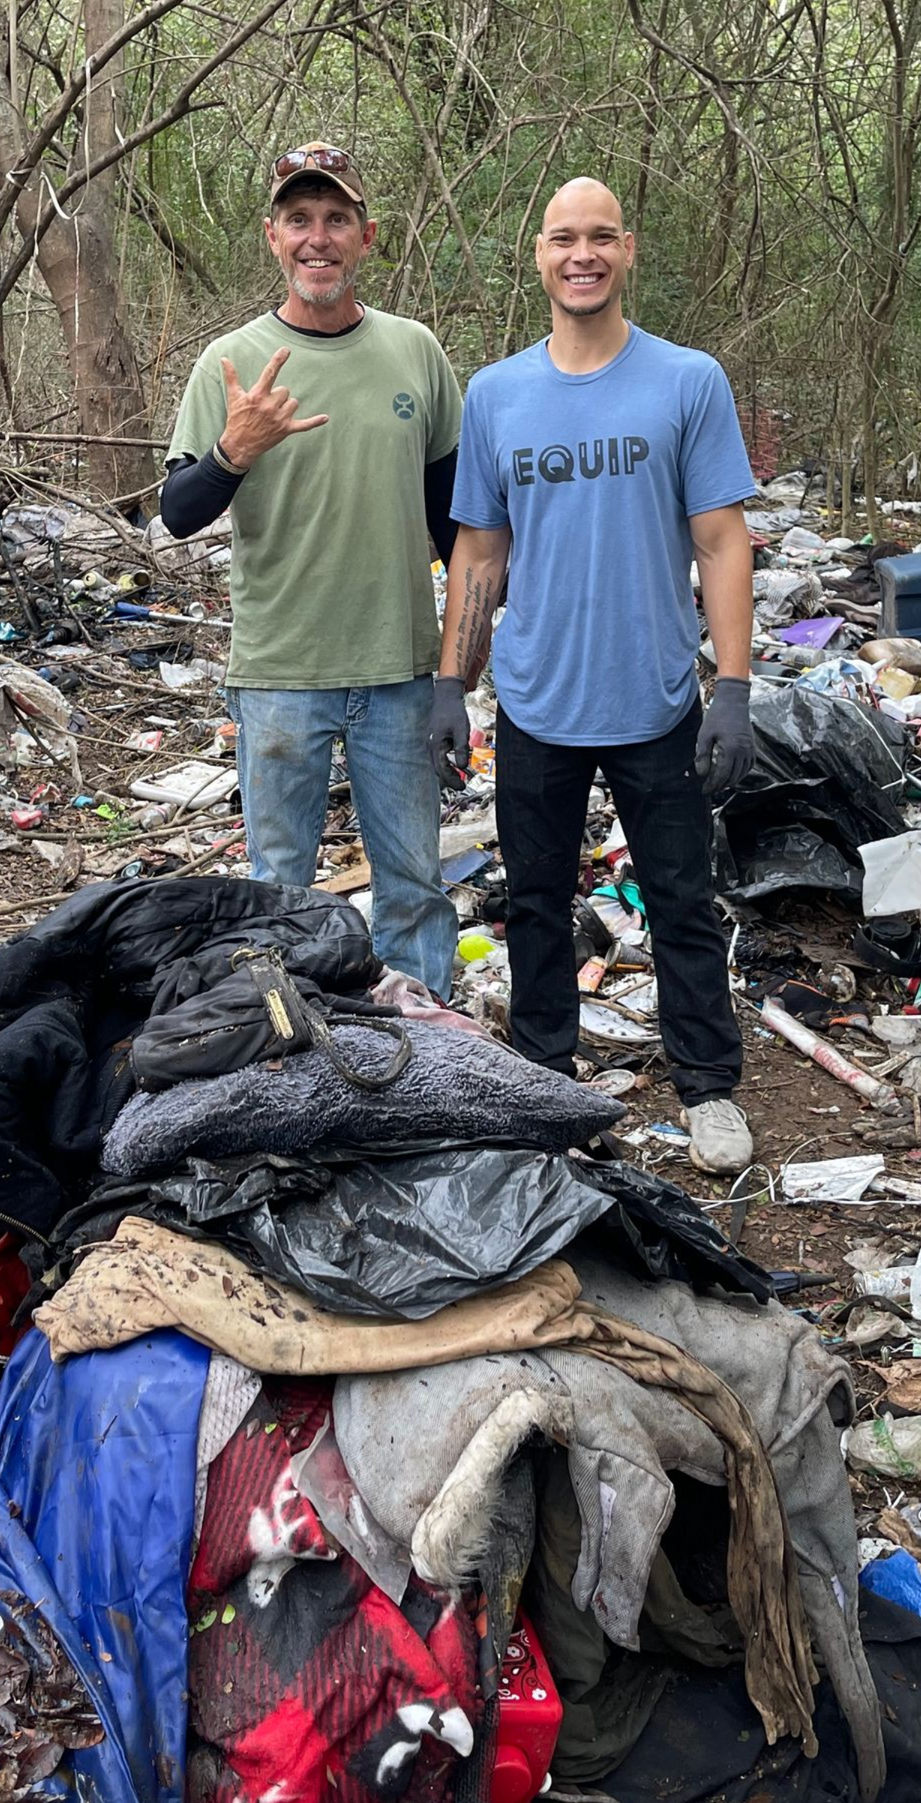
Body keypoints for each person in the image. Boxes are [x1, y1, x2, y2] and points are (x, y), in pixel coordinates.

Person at [429, 177, 758, 1174]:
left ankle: (708, 1085)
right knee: (532, 901)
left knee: (681, 896)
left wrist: (734, 687)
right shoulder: (496, 394)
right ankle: (543, 1077)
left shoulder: (686, 382)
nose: (584, 254)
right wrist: (453, 680)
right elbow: (479, 553)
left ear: (628, 250)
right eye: (564, 238)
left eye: (601, 236)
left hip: (654, 692)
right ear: (540, 255)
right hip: (536, 697)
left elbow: (722, 538)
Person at [159, 142, 461, 996]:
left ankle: (428, 1065)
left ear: (367, 237)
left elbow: (455, 524)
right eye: (299, 220)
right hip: (280, 673)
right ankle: (292, 1058)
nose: (317, 238)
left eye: (335, 220)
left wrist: (459, 673)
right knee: (279, 890)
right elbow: (177, 513)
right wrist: (231, 452)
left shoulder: (416, 353)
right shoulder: (230, 363)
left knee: (413, 888)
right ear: (272, 236)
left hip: (399, 670)